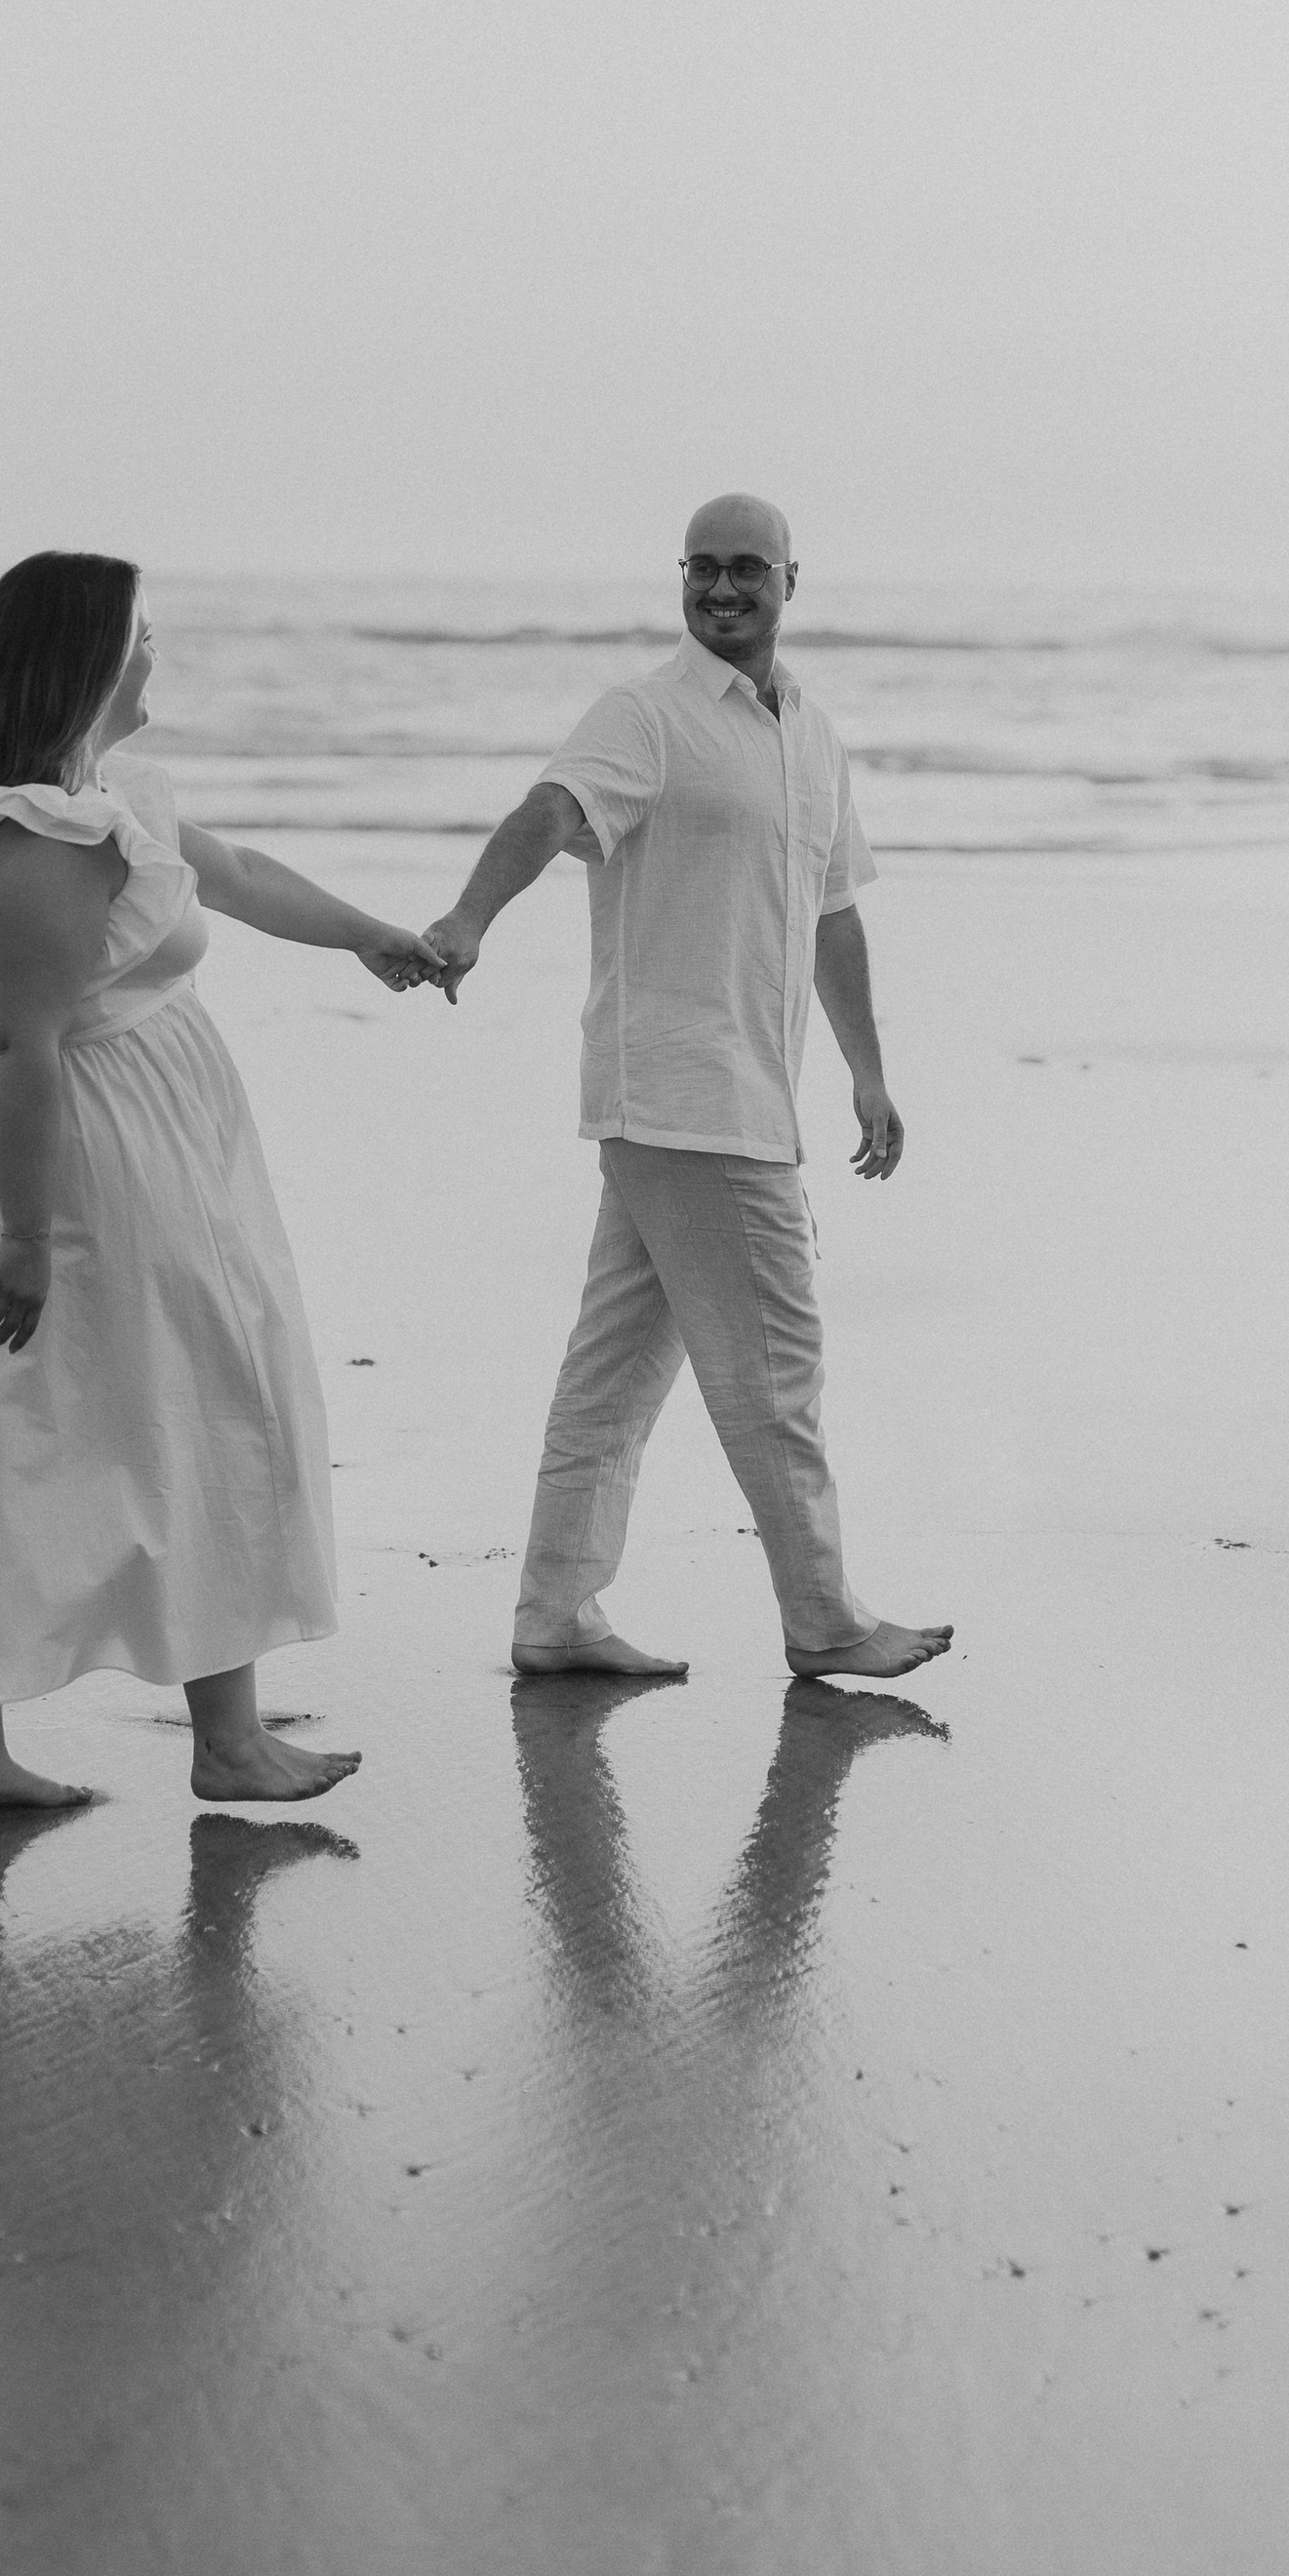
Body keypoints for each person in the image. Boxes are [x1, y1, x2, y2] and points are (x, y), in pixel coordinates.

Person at [0, 550, 445, 1815]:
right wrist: (28, 1234)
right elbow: (27, 1042)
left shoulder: (114, 793)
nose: (153, 656)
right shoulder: (40, 835)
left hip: (162, 1141)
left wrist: (373, 937)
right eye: (138, 637)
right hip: (83, 1155)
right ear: (82, 658)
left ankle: (205, 1738)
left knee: (196, 1414)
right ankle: (0, 1754)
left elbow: (236, 876)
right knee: (61, 1430)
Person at [424, 492, 952, 1686]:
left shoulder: (812, 732)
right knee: (776, 1365)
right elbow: (550, 811)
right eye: (701, 571)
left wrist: (868, 1072)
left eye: (745, 571)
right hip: (682, 1094)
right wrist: (469, 918)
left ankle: (554, 1615)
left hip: (733, 1100)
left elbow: (832, 911)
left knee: (611, 1371)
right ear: (680, 578)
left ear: (788, 579)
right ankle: (822, 1618)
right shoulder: (648, 717)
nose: (721, 591)